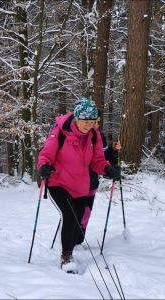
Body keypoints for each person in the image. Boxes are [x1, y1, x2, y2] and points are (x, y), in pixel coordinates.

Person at [37, 98, 121, 273]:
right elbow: (46, 154)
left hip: (81, 185)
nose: (88, 125)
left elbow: (97, 161)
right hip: (59, 182)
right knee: (70, 215)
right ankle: (66, 257)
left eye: (92, 122)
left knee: (78, 221)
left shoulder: (95, 136)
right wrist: (43, 167)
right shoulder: (59, 131)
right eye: (85, 121)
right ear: (76, 118)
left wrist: (107, 169)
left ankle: (72, 245)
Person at [76, 111, 122, 246]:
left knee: (86, 212)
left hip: (92, 180)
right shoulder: (76, 135)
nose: (95, 125)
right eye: (93, 122)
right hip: (75, 182)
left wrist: (112, 150)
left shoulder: (99, 136)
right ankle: (69, 242)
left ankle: (79, 241)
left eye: (97, 122)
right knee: (73, 214)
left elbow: (101, 157)